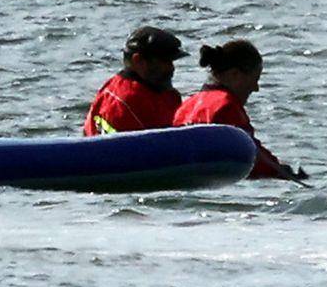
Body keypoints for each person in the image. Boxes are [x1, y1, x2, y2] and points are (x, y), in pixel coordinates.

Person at [173, 39, 305, 181]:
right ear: (235, 74)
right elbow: (251, 156)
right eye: (255, 79)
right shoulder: (226, 106)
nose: (256, 88)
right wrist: (284, 173)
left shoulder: (185, 106)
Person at [82, 26, 187, 136]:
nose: (171, 68)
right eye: (164, 61)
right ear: (138, 60)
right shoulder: (129, 102)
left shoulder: (111, 87)